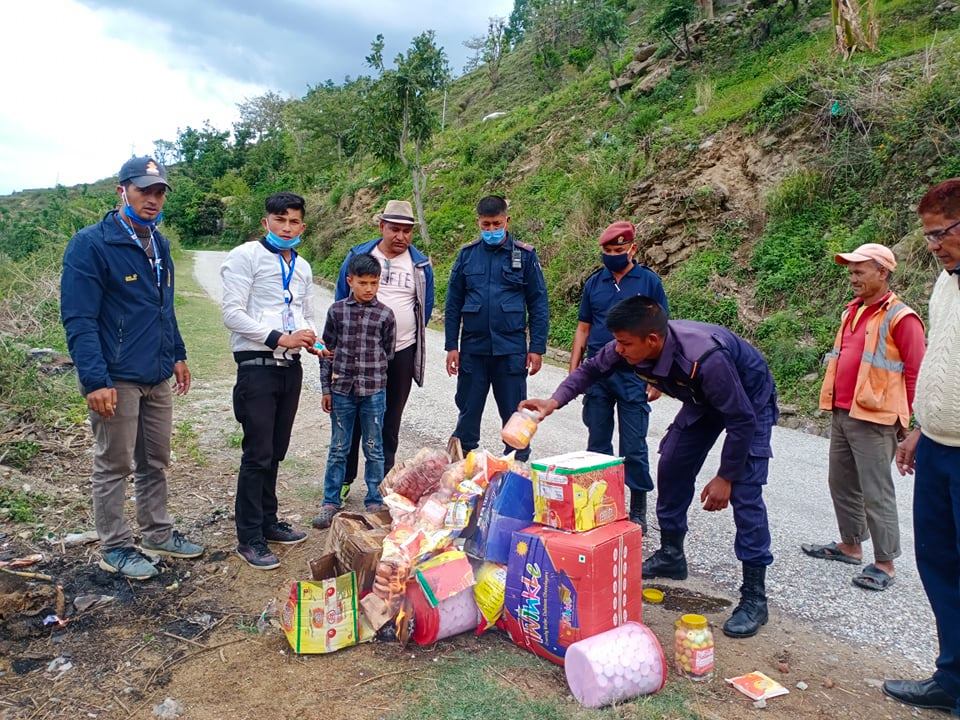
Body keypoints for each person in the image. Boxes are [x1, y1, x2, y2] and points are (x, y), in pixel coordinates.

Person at [521, 295, 777, 638]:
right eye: (618, 342)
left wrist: (726, 476)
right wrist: (553, 401)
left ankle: (755, 598)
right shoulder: (629, 344)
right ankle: (672, 555)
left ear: (652, 340)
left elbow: (741, 419)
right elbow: (592, 369)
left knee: (745, 492)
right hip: (703, 400)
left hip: (749, 402)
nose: (619, 350)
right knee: (672, 462)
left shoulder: (705, 358)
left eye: (625, 344)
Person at [60, 156, 204, 580]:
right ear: (122, 190)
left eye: (160, 192)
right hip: (116, 378)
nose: (153, 199)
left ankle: (157, 532)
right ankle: (115, 546)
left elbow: (164, 307)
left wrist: (176, 353)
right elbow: (80, 318)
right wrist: (95, 379)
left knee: (155, 460)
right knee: (113, 464)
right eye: (145, 190)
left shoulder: (158, 244)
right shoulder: (91, 244)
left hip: (155, 373)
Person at [801, 243, 924, 591]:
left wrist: (913, 425)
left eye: (860, 272)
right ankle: (850, 544)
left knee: (875, 490)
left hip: (877, 417)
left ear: (882, 273)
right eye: (851, 272)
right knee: (841, 482)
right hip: (844, 411)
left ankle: (885, 562)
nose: (852, 278)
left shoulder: (902, 318)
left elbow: (917, 373)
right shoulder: (852, 311)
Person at [883, 179, 960, 714]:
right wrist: (919, 427)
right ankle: (951, 679)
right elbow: (940, 362)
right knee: (939, 565)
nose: (933, 246)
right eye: (929, 236)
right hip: (936, 446)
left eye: (941, 235)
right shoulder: (944, 284)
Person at [220, 192, 318, 570]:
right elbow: (232, 314)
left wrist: (313, 339)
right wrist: (280, 337)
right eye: (281, 220)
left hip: (290, 367)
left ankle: (268, 520)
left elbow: (305, 313)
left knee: (276, 449)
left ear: (302, 226)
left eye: (294, 222)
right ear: (266, 223)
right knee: (257, 453)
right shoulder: (245, 256)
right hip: (257, 365)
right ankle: (249, 537)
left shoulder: (304, 266)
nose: (287, 227)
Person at [333, 200, 435, 501]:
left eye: (407, 231)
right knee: (352, 417)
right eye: (394, 229)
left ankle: (382, 482)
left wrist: (406, 334)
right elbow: (341, 300)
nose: (400, 236)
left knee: (390, 419)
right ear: (381, 227)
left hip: (401, 352)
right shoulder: (359, 256)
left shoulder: (420, 264)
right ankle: (343, 479)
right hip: (359, 353)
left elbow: (424, 307)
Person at [570, 221, 669, 532]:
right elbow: (583, 327)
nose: (613, 255)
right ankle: (600, 504)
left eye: (619, 250)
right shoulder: (594, 284)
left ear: (633, 249)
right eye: (608, 251)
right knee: (597, 441)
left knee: (634, 444)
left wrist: (658, 378)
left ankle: (638, 506)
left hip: (635, 374)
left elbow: (662, 331)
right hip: (599, 372)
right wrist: (575, 370)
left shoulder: (648, 282)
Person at [444, 195, 549, 461]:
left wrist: (536, 347)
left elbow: (538, 303)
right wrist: (451, 346)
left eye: (496, 224)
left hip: (510, 352)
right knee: (467, 414)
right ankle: (460, 474)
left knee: (515, 416)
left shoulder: (524, 256)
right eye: (486, 225)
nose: (491, 230)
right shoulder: (467, 256)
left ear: (507, 221)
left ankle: (516, 475)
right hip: (473, 351)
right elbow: (453, 303)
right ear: (478, 223)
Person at [313, 254, 396, 529]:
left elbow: (388, 352)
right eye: (363, 283)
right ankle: (330, 500)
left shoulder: (385, 314)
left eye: (374, 283)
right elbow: (326, 353)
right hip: (341, 391)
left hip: (373, 390)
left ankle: (374, 500)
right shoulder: (336, 312)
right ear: (350, 281)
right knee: (339, 447)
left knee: (374, 448)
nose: (369, 288)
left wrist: (377, 381)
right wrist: (327, 388)